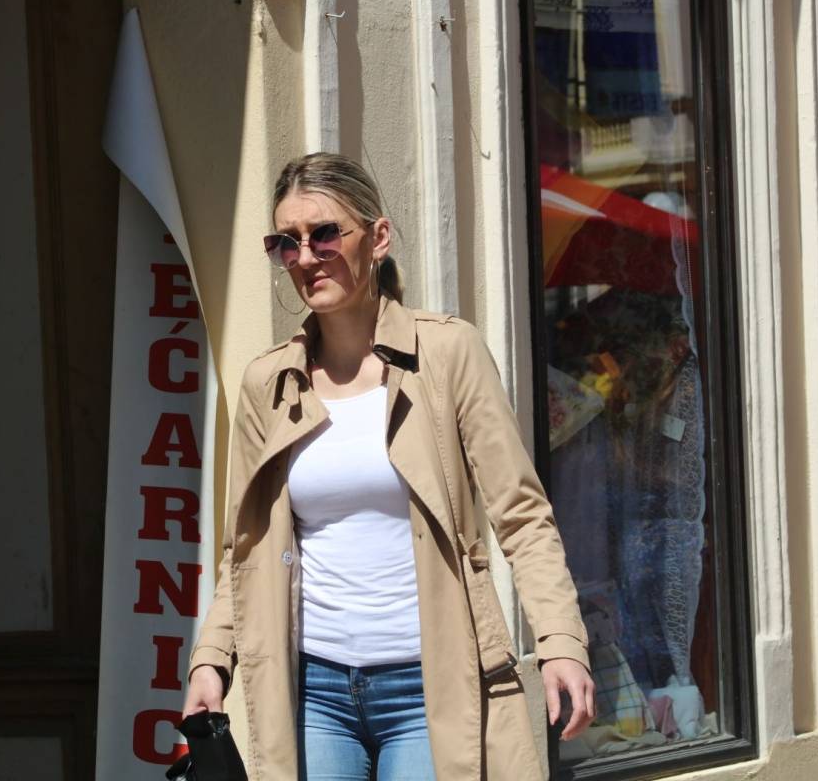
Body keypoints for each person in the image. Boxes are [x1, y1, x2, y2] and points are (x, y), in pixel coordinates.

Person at [182, 152, 595, 780]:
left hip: (431, 685)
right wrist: (212, 660)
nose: (306, 257)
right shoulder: (270, 383)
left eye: (324, 233)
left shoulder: (447, 353)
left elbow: (521, 514)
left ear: (377, 237)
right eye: (287, 242)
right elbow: (245, 549)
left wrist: (561, 641)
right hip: (314, 692)